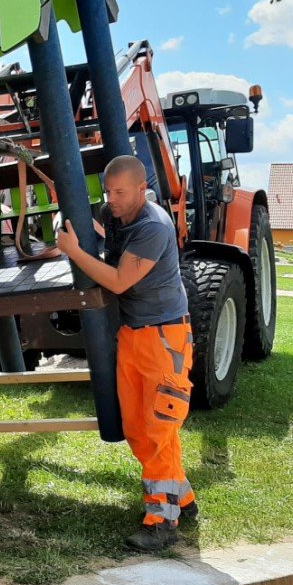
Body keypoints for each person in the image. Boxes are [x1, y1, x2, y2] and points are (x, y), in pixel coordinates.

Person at [56, 155, 197, 552]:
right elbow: (92, 219)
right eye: (108, 192)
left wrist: (74, 251)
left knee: (157, 428)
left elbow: (119, 281)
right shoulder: (116, 213)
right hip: (135, 335)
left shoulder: (153, 226)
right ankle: (182, 498)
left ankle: (161, 520)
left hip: (164, 340)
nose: (111, 200)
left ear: (141, 189)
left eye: (119, 193)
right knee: (139, 428)